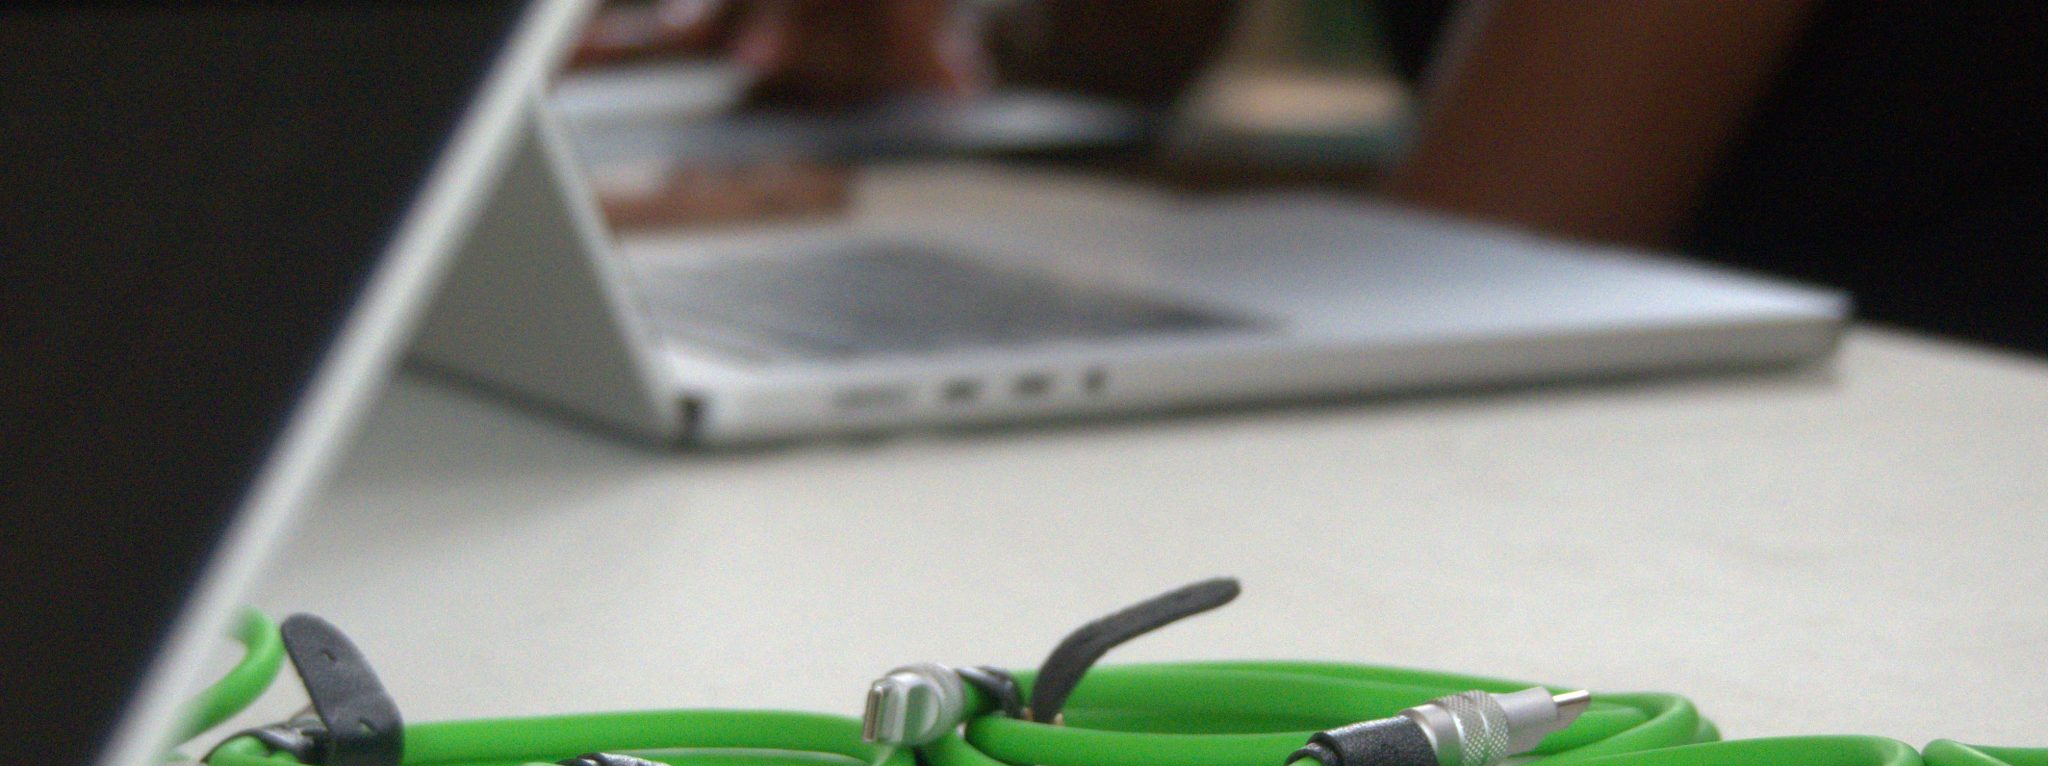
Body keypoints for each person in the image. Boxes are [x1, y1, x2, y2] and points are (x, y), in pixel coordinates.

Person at [578, 0, 2048, 355]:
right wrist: (916, 55)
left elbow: (1473, 260)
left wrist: (907, 206)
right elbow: (1127, 67)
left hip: (1902, 430)